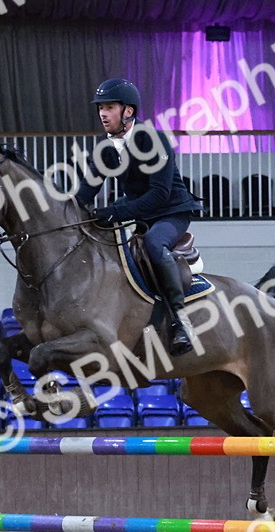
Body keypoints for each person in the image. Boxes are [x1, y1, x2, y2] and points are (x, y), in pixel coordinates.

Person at [75, 78, 202, 356]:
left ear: (128, 111)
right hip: (141, 214)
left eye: (109, 107)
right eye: (100, 108)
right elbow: (86, 191)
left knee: (154, 244)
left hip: (171, 211)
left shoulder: (153, 140)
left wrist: (115, 212)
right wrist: (64, 210)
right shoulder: (106, 147)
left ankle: (180, 321)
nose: (102, 114)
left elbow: (159, 195)